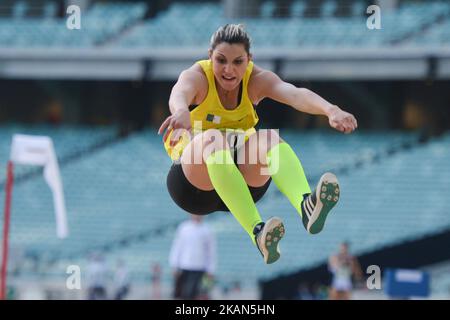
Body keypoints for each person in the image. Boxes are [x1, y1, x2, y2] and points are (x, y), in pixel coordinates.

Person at [159, 24, 358, 265]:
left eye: (237, 62)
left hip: (242, 183)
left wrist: (330, 110)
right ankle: (257, 231)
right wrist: (181, 111)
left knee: (269, 138)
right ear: (210, 56)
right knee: (213, 139)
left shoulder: (256, 80)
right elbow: (179, 92)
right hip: (193, 187)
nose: (229, 70)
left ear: (248, 60)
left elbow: (294, 94)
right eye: (221, 61)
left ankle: (305, 205)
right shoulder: (198, 77)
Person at [169, 214, 216, 299]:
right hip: (185, 266)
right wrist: (174, 265)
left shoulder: (207, 230)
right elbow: (177, 247)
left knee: (194, 293)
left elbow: (211, 252)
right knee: (183, 293)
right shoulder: (184, 228)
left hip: (199, 267)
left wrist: (211, 269)